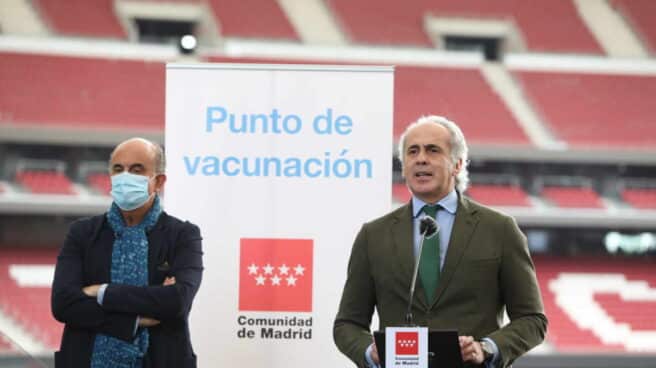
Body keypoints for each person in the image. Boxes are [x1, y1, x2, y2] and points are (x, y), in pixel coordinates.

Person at [333, 116, 547, 368]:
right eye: (412, 152)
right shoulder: (373, 235)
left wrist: (486, 348)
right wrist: (370, 352)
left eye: (433, 150)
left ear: (457, 164)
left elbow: (533, 320)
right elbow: (347, 324)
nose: (420, 158)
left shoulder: (499, 229)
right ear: (404, 167)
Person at [51, 137, 203, 368]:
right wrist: (135, 320)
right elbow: (63, 304)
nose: (125, 177)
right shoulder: (82, 233)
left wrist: (101, 292)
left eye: (137, 169)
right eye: (118, 169)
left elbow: (177, 301)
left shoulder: (183, 235)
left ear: (159, 181)